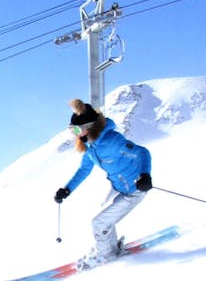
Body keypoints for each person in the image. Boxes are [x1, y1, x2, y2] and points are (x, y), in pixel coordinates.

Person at [53, 98, 153, 262]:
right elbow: (84, 170)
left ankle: (106, 257)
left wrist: (145, 175)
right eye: (72, 130)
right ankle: (111, 251)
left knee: (99, 223)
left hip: (135, 189)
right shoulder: (91, 148)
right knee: (104, 222)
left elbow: (143, 153)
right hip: (121, 189)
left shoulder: (112, 141)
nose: (75, 135)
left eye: (77, 130)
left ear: (89, 127)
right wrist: (66, 190)